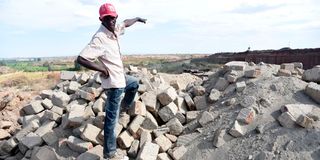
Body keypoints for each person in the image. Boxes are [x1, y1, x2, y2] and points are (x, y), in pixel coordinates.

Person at [76, 3, 147, 159]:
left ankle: (124, 107)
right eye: (107, 18)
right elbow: (81, 58)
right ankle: (109, 152)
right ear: (101, 19)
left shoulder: (114, 29)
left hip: (122, 78)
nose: (111, 21)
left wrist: (138, 19)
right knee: (111, 120)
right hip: (114, 85)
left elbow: (126, 23)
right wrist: (102, 69)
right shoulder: (99, 38)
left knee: (134, 83)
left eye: (113, 18)